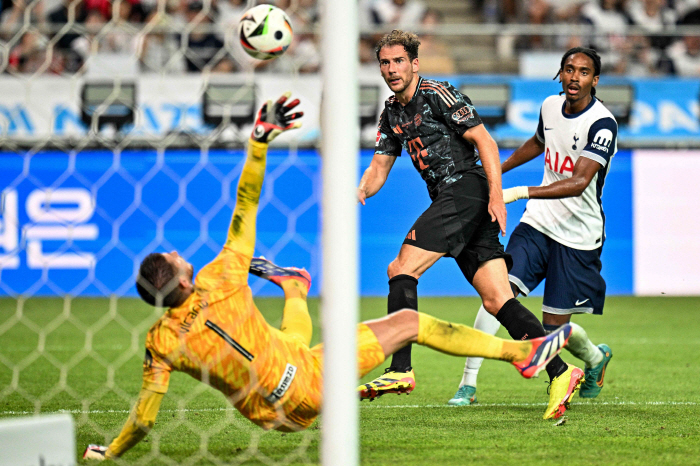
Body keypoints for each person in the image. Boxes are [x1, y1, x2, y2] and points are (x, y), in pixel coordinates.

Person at [81, 93, 573, 460]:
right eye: (171, 257)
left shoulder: (160, 340)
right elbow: (246, 204)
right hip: (316, 382)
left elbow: (145, 419)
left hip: (278, 417)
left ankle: (304, 291)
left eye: (396, 61)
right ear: (182, 282)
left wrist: (110, 453)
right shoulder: (221, 278)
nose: (174, 250)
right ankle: (527, 357)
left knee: (377, 291)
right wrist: (261, 143)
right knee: (445, 311)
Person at [355, 29, 581, 420]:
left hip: (465, 189)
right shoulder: (391, 113)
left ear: (414, 63)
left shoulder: (438, 93)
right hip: (456, 201)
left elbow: (485, 142)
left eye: (398, 61)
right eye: (385, 63)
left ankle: (400, 369)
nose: (391, 69)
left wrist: (495, 195)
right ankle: (562, 372)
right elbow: (379, 167)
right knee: (497, 300)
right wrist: (356, 191)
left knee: (401, 268)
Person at [448, 47, 615, 415]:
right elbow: (539, 143)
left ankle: (594, 358)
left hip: (578, 235)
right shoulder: (549, 107)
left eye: (584, 72)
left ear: (595, 80)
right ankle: (467, 384)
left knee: (555, 329)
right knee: (498, 291)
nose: (575, 77)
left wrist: (518, 191)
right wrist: (496, 172)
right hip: (538, 222)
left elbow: (578, 182)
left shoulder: (602, 124)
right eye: (569, 69)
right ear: (560, 73)